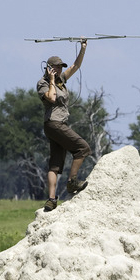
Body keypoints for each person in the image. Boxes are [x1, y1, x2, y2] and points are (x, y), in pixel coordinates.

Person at [36, 40, 91, 211]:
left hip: (58, 125)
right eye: (56, 67)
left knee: (55, 164)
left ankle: (51, 200)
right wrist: (51, 79)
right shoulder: (43, 83)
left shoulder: (62, 79)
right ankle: (71, 182)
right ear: (49, 68)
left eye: (60, 67)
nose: (59, 70)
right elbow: (51, 98)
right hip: (54, 123)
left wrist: (83, 49)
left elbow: (76, 66)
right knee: (82, 148)